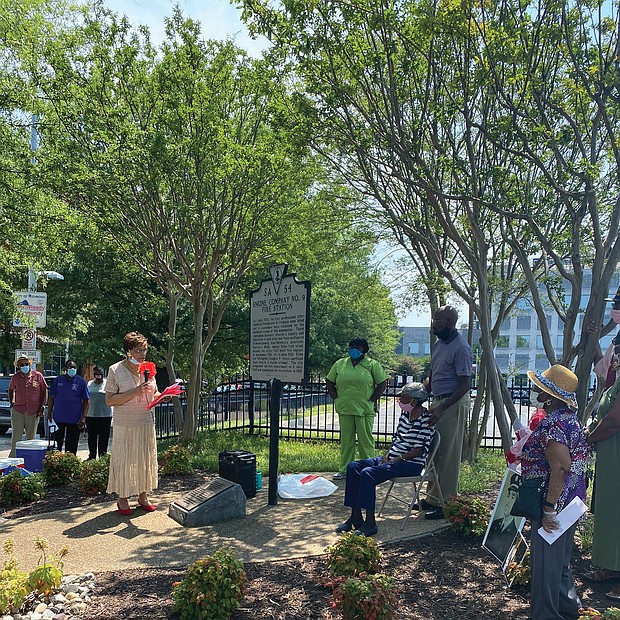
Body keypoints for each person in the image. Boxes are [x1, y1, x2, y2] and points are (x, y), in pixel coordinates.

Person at [521, 364, 588, 620]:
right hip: (572, 502)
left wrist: (548, 509)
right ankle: (569, 611)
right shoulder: (570, 420)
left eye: (540, 387)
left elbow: (560, 467)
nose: (536, 390)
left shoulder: (553, 425)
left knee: (545, 570)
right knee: (559, 565)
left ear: (548, 395)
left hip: (555, 505)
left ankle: (546, 616)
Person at [335, 382, 435, 536]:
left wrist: (395, 459)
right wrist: (387, 455)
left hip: (410, 464)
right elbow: (397, 439)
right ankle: (355, 517)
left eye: (403, 398)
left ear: (414, 402)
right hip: (394, 458)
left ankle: (370, 523)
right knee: (353, 467)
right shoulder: (405, 415)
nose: (400, 400)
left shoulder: (426, 419)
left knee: (368, 473)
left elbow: (419, 450)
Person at [106, 332, 168, 515]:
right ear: (128, 351)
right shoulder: (115, 370)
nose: (142, 354)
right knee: (125, 460)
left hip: (146, 422)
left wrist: (162, 396)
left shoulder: (149, 368)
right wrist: (135, 391)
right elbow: (109, 400)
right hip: (125, 423)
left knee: (144, 459)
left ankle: (143, 495)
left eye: (144, 350)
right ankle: (122, 498)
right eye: (138, 350)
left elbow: (152, 393)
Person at [421, 305, 473, 520]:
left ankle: (446, 503)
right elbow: (433, 373)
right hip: (438, 402)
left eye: (438, 321)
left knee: (449, 455)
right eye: (434, 320)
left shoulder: (461, 348)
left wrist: (441, 408)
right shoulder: (438, 345)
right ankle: (433, 498)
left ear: (450, 323)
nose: (434, 325)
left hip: (453, 403)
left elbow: (465, 384)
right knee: (436, 451)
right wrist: (421, 393)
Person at [326, 337, 389, 480]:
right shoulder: (340, 364)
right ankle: (344, 469)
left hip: (364, 410)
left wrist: (371, 400)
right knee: (346, 441)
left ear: (364, 350)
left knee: (365, 441)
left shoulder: (373, 365)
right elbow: (329, 381)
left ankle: (369, 469)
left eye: (358, 347)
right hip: (345, 408)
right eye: (352, 346)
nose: (354, 349)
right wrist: (337, 398)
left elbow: (382, 384)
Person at [584, 359, 620, 599]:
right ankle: (612, 567)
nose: (615, 355)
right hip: (611, 457)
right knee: (611, 512)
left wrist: (588, 439)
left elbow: (615, 421)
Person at [8, 354, 47, 457]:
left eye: (26, 364)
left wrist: (42, 406)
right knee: (16, 437)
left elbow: (44, 391)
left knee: (31, 439)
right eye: (22, 365)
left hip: (34, 411)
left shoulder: (38, 376)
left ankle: (29, 459)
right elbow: (11, 389)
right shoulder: (15, 377)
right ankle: (13, 460)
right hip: (18, 410)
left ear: (29, 364)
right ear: (19, 366)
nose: (24, 366)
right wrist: (11, 402)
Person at [48, 360, 90, 455]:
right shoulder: (58, 380)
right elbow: (51, 397)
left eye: (74, 367)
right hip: (59, 418)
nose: (72, 369)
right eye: (70, 367)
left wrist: (83, 417)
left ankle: (70, 462)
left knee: (71, 445)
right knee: (56, 444)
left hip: (74, 419)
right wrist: (49, 413)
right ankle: (56, 463)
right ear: (66, 369)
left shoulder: (81, 382)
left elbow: (86, 400)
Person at [485, 482, 519, 564]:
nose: (508, 501)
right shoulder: (495, 523)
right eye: (508, 496)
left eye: (512, 497)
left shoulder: (514, 532)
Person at [86, 366, 113, 460]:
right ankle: (92, 456)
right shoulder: (89, 384)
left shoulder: (108, 384)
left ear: (103, 374)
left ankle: (102, 457)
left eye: (99, 374)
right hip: (91, 415)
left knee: (103, 438)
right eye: (96, 374)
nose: (98, 376)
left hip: (105, 415)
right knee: (91, 438)